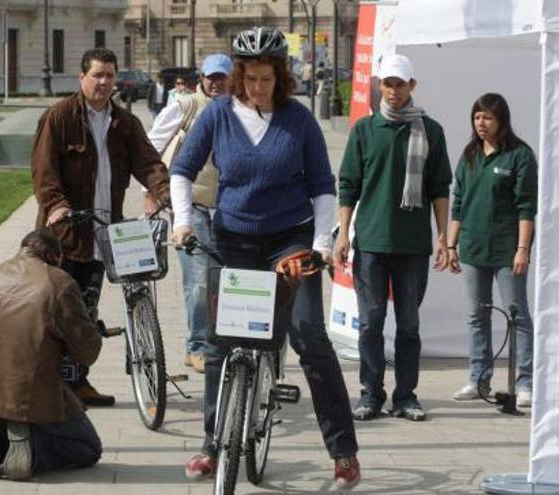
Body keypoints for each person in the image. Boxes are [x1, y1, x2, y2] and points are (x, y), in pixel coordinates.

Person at [171, 27, 361, 489]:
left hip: (289, 242)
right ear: (239, 76)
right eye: (251, 78)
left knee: (310, 338)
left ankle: (344, 453)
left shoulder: (298, 121)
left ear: (281, 77)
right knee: (219, 345)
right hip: (232, 240)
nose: (258, 87)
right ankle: (212, 444)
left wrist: (317, 247)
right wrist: (182, 221)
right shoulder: (218, 114)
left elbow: (321, 186)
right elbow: (182, 169)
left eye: (267, 79)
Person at [31, 48, 170, 407]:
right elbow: (44, 173)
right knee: (58, 313)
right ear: (82, 78)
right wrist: (57, 206)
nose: (104, 82)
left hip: (106, 234)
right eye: (97, 75)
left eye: (109, 75)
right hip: (65, 236)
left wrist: (166, 194)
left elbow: (149, 163)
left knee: (86, 311)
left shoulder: (125, 123)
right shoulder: (59, 118)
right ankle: (51, 384)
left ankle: (78, 382)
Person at [334, 54, 453, 422]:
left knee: (409, 325)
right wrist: (343, 234)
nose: (393, 90)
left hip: (413, 246)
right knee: (370, 323)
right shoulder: (365, 130)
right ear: (380, 86)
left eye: (400, 84)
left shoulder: (429, 131)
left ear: (412, 86)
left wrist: (443, 238)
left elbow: (439, 188)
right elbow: (348, 184)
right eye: (387, 83)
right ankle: (370, 394)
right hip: (370, 243)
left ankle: (406, 396)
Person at [0, 229, 103, 481]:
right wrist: (90, 326)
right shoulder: (58, 282)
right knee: (89, 448)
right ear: (52, 255)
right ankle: (31, 448)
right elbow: (88, 350)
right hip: (30, 394)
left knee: (8, 406)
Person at [446, 93, 537, 407]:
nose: (480, 124)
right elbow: (458, 203)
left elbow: (527, 208)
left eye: (487, 118)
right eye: (476, 117)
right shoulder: (469, 154)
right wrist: (450, 244)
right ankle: (478, 379)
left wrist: (523, 249)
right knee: (477, 315)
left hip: (507, 250)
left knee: (518, 316)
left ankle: (525, 383)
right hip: (472, 249)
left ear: (501, 120)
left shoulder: (519, 155)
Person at [145, 53, 232, 373]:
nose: (216, 82)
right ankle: (196, 345)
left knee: (221, 280)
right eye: (212, 77)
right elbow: (150, 147)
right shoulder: (186, 106)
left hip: (227, 210)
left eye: (222, 77)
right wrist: (150, 193)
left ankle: (218, 342)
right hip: (190, 207)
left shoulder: (241, 109)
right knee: (198, 282)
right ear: (202, 79)